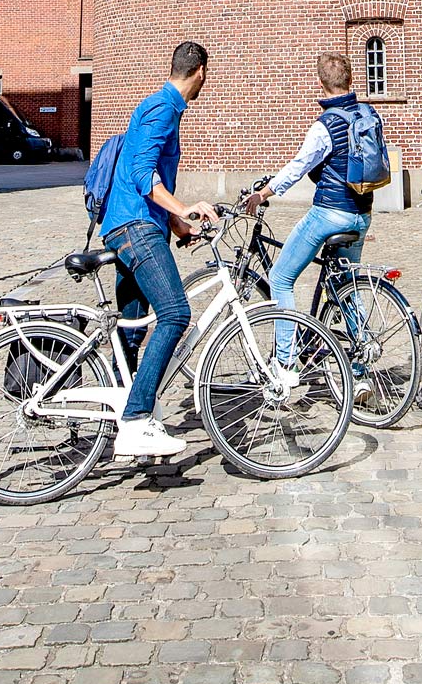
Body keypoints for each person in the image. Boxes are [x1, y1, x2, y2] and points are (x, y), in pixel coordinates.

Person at [100, 40, 220, 461]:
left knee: (132, 331)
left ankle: (116, 416)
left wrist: (177, 222)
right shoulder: (162, 107)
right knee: (175, 313)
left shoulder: (163, 107)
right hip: (135, 229)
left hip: (136, 225)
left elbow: (148, 180)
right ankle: (135, 421)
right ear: (200, 71)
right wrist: (183, 206)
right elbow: (141, 173)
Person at [242, 53, 378, 390]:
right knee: (344, 286)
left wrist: (265, 193)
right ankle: (360, 373)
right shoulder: (369, 114)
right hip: (362, 215)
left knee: (281, 277)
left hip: (330, 212)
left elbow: (300, 165)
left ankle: (284, 363)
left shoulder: (326, 124)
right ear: (350, 81)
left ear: (321, 84)